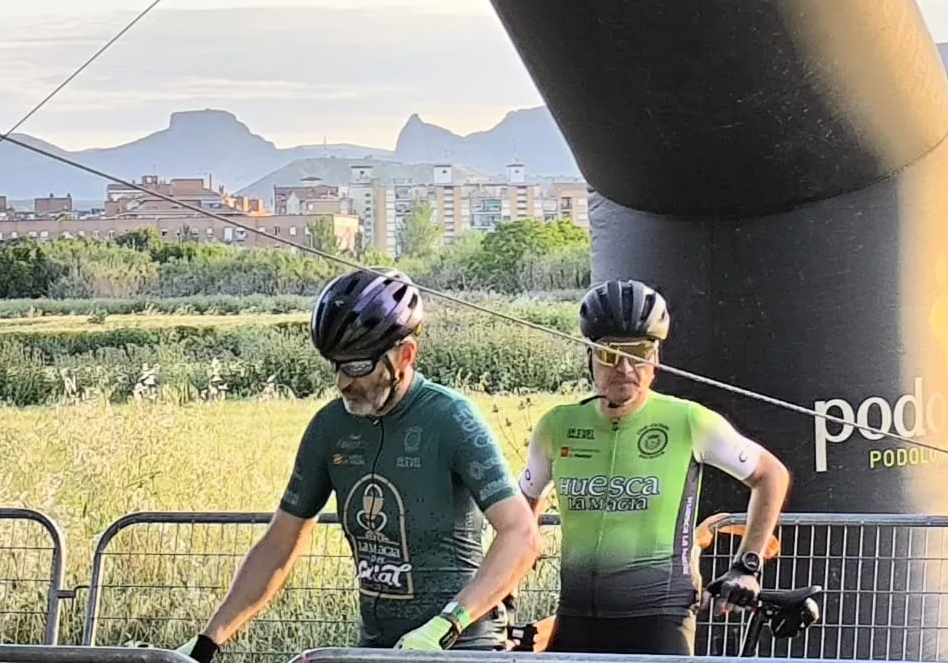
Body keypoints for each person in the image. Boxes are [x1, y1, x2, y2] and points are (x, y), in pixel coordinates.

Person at [179, 267, 541, 661]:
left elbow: (521, 536)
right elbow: (278, 545)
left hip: (460, 646)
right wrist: (208, 641)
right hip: (377, 648)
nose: (342, 382)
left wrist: (448, 623)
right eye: (334, 364)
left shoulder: (451, 419)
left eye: (356, 366)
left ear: (404, 355)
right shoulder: (329, 427)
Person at [516, 279, 793, 655]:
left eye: (639, 352)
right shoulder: (557, 425)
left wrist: (747, 564)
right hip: (577, 617)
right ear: (590, 356)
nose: (625, 367)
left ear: (656, 358)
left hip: (659, 618)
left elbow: (770, 475)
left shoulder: (687, 421)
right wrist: (508, 580)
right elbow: (524, 502)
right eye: (610, 354)